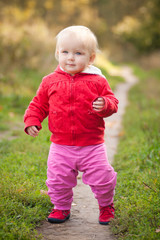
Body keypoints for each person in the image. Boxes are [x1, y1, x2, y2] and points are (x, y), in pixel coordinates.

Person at [24, 25, 119, 225]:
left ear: (91, 58)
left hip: (92, 145)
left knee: (103, 178)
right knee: (57, 180)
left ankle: (106, 206)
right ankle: (61, 207)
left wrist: (105, 105)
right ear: (57, 53)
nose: (71, 58)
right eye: (65, 52)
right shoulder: (49, 81)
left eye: (78, 53)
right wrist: (32, 120)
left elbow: (112, 103)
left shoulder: (97, 81)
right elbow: (38, 104)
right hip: (61, 146)